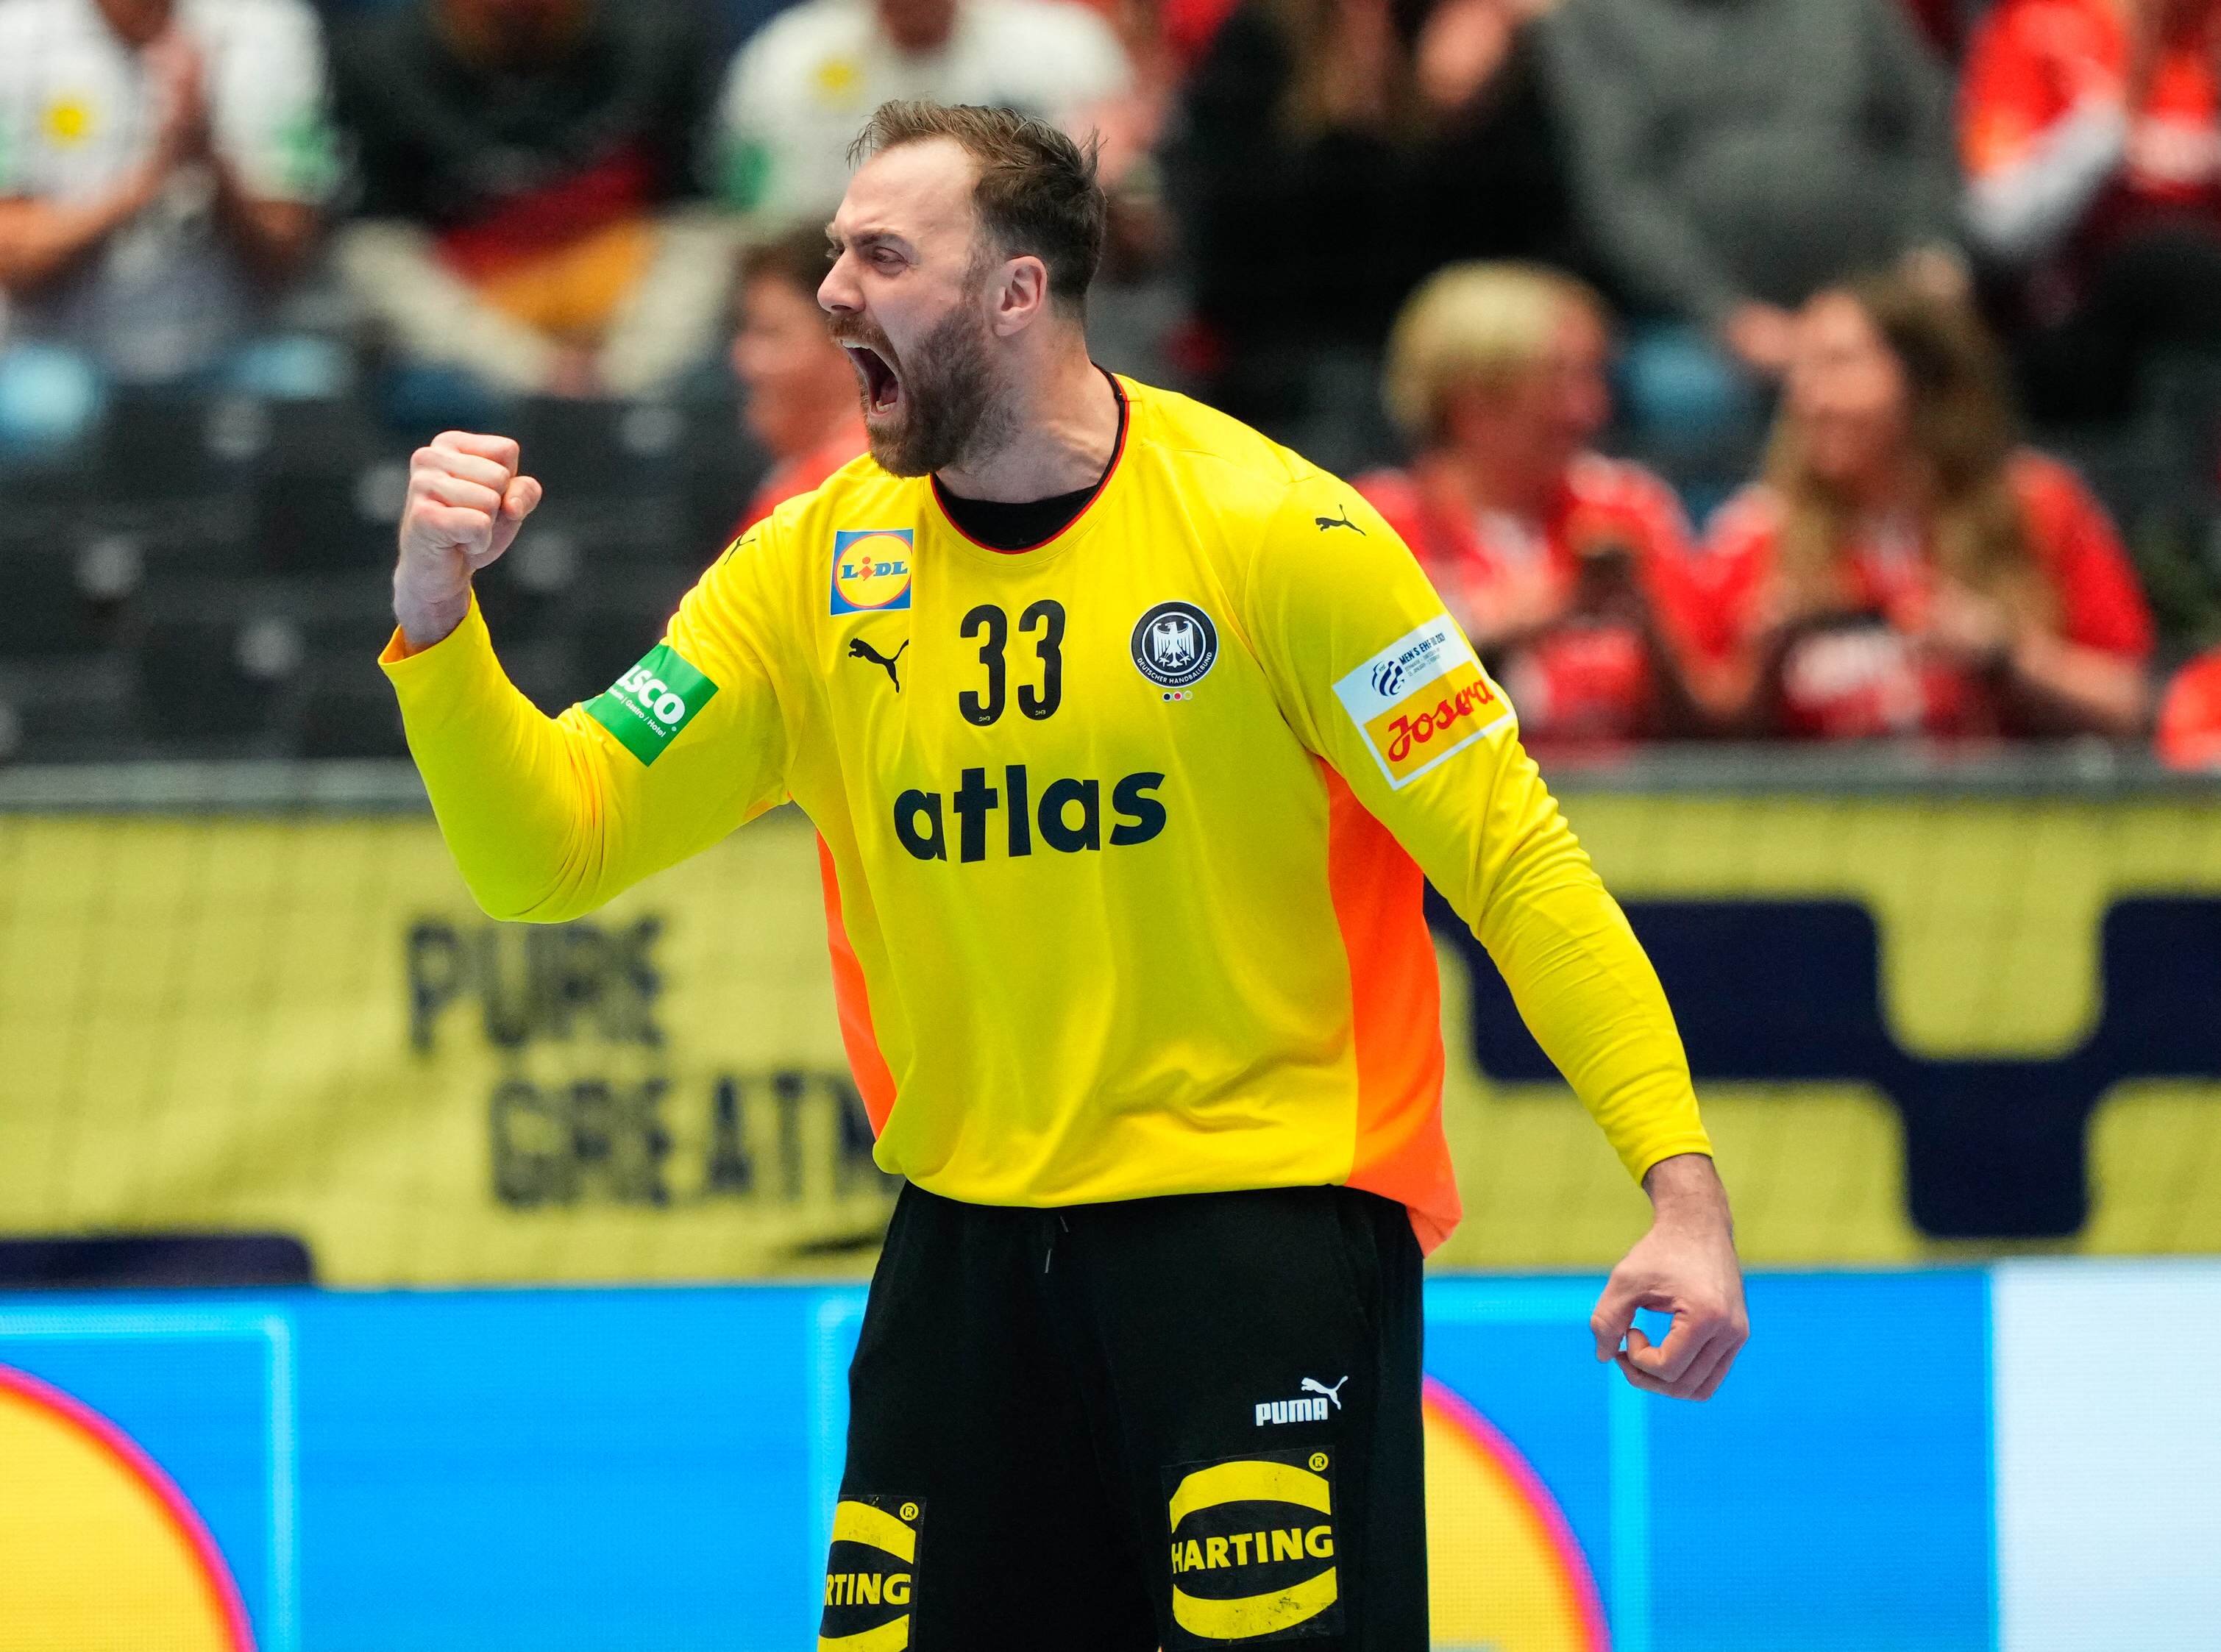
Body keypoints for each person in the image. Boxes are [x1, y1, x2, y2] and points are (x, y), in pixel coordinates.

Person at [383, 102, 1745, 1647]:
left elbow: (1515, 865)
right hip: (964, 1254)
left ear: (1015, 293)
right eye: (833, 250)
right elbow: (545, 852)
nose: (832, 291)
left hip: (1255, 1231)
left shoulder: (1280, 533)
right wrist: (439, 629)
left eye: (881, 255)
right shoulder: (807, 569)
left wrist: (1678, 1189)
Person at [1704, 271, 2154, 739]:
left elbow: (2129, 708)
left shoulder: (2038, 506)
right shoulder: (1756, 533)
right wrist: (1768, 659)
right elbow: (1691, 735)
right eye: (1800, 370)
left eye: (1836, 364)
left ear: (1922, 382)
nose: (1808, 399)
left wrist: (2005, 656)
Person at [1536, 0, 1959, 439]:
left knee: (1938, 368)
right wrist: (1728, 315)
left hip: (1873, 299)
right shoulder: (1597, 20)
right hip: (1697, 320)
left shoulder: (1850, 8)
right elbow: (1618, 195)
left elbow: (1924, 125)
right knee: (1689, 396)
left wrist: (1931, 246)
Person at [1171, 0, 1588, 438]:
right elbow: (1235, 250)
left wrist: (1469, 113)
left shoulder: (1473, 31)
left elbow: (1533, 223)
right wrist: (1373, 116)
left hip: (1458, 335)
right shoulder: (1264, 37)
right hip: (1303, 348)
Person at [1356, 263, 1714, 743]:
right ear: (1472, 401)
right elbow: (1354, 714)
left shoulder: (1627, 507)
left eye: (1593, 377)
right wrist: (1492, 631)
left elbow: (1716, 719)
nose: (1589, 410)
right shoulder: (1373, 525)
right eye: (1559, 381)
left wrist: (1648, 625)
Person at [330, 0, 730, 410]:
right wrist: (528, 366)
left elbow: (697, 229)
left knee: (721, 385)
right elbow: (378, 249)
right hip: (468, 359)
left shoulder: (662, 44)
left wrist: (629, 364)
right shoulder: (376, 62)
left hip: (639, 351)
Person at [0, 0, 337, 450]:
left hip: (228, 346)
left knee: (312, 384)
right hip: (67, 352)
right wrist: (148, 182)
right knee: (41, 412)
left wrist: (210, 160)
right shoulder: (15, 34)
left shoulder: (273, 29)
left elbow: (289, 254)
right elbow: (15, 263)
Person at [1961, 0, 2221, 425]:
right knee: (2165, 265)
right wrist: (2114, 121)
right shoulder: (2035, 26)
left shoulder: (2206, 39)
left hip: (2200, 343)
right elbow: (1998, 229)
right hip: (2072, 331)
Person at [716, 0, 1133, 230]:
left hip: (1029, 263)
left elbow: (1119, 188)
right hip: (831, 278)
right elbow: (752, 209)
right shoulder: (786, 60)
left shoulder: (1066, 48)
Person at [730, 224, 868, 533]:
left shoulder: (834, 493)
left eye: (770, 333)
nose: (742, 359)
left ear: (853, 347)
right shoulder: (814, 479)